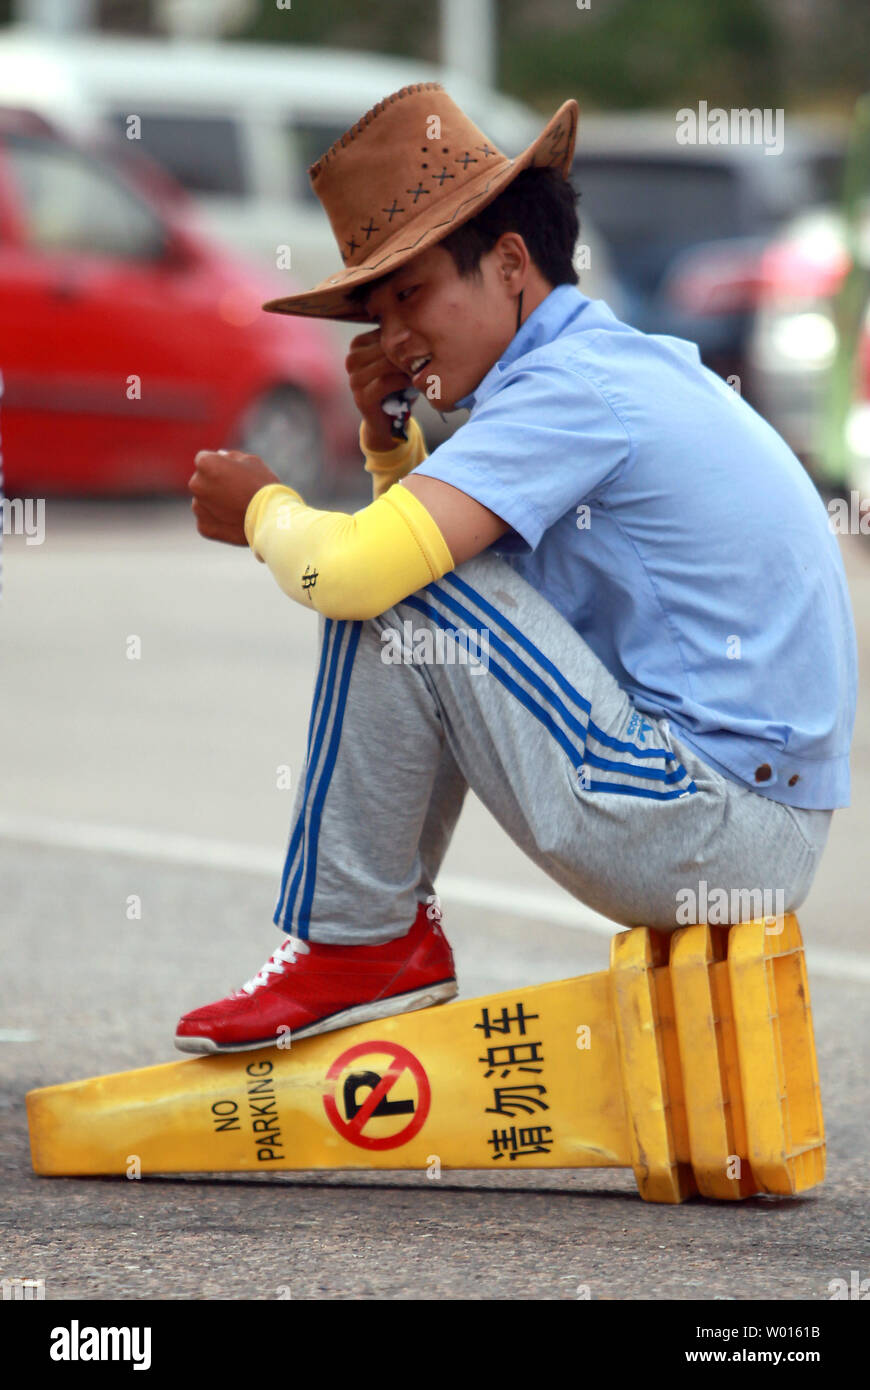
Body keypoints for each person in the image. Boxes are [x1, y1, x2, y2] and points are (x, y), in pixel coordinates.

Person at [175, 82, 856, 1054]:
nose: (392, 336)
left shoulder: (567, 393)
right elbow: (456, 619)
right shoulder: (605, 367)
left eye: (412, 294)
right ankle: (365, 938)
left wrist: (264, 509)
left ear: (506, 264)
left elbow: (365, 576)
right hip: (742, 820)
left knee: (395, 578)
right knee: (409, 573)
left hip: (714, 824)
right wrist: (386, 441)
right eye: (376, 309)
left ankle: (359, 941)